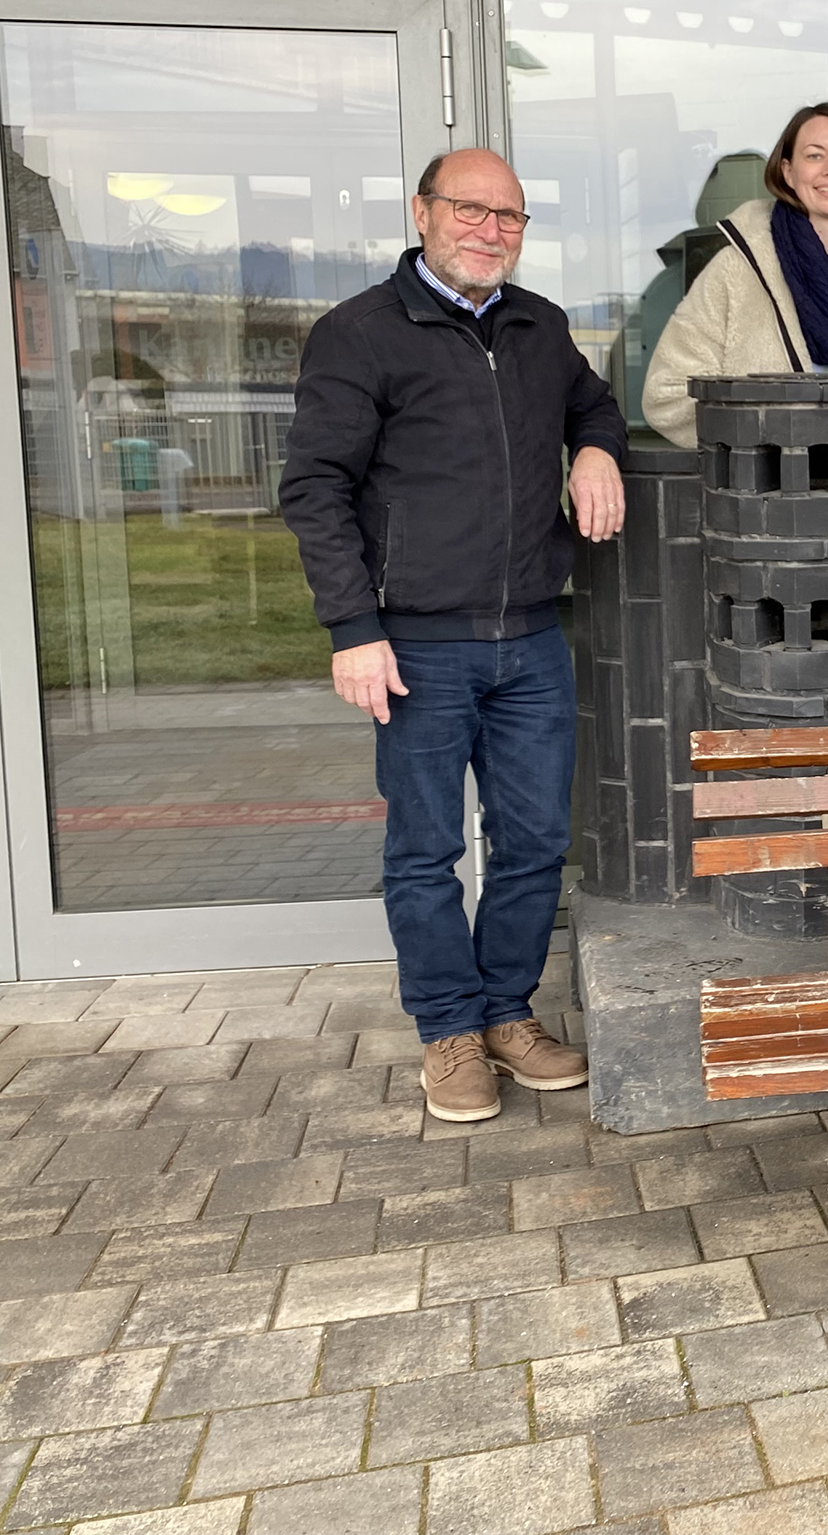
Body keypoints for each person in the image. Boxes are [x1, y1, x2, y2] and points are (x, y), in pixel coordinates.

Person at [281, 148, 627, 1125]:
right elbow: (315, 488)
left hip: (530, 639)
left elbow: (592, 405)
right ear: (422, 213)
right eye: (470, 210)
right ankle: (448, 1032)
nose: (490, 231)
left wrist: (597, 450)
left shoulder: (538, 328)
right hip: (416, 646)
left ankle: (507, 1015)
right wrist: (354, 629)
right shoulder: (359, 336)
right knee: (426, 848)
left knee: (534, 842)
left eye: (509, 217)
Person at [642, 104, 828, 446]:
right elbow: (666, 397)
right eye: (815, 156)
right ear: (787, 172)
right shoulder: (734, 272)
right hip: (767, 497)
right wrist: (766, 445)